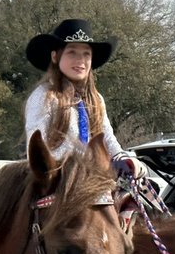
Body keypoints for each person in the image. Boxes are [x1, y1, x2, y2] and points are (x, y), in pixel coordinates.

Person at [24, 18, 145, 174]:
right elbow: (36, 151)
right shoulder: (43, 97)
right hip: (57, 185)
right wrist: (80, 169)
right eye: (72, 52)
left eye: (86, 54)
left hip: (93, 184)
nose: (80, 60)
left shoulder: (96, 99)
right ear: (55, 56)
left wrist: (124, 160)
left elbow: (107, 139)